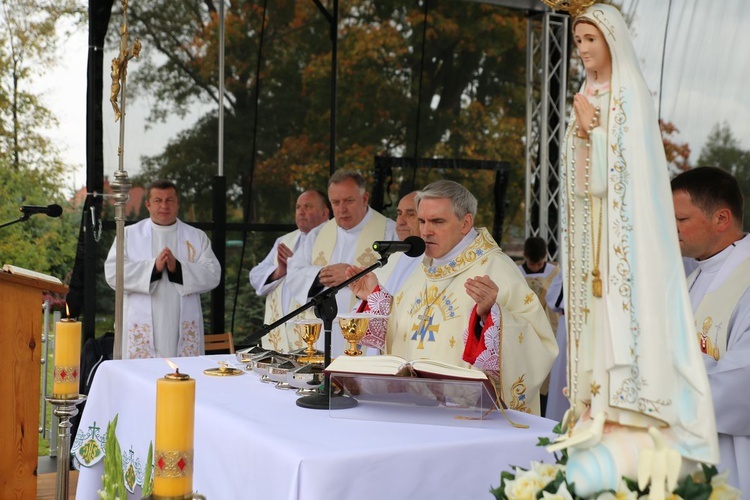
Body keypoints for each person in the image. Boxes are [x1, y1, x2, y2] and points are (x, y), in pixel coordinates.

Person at [546, 3, 717, 496]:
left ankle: (630, 406)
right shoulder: (586, 93)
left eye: (590, 40)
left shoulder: (630, 94)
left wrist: (595, 130)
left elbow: (628, 174)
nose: (582, 50)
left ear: (612, 41)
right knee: (597, 320)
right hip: (594, 233)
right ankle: (599, 408)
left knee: (624, 312)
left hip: (623, 237)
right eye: (578, 42)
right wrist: (582, 133)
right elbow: (581, 183)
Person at [347, 180, 558, 415]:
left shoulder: (495, 268)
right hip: (413, 410)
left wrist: (491, 316)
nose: (426, 231)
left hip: (467, 415)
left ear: (466, 223)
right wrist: (377, 299)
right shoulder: (422, 269)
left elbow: (538, 342)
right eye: (422, 221)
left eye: (437, 221)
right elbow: (405, 330)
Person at [671, 166, 750, 494]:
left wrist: (660, 379)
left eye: (681, 219)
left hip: (730, 455)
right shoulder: (690, 279)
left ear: (721, 219)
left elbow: (741, 382)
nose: (671, 228)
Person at [284, 170, 397, 356]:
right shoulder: (317, 234)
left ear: (364, 198)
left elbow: (398, 277)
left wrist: (350, 274)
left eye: (349, 201)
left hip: (364, 334)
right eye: (335, 203)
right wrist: (320, 275)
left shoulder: (389, 233)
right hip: (324, 331)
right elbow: (295, 272)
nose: (342, 209)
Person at [105, 180, 221, 359]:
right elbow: (113, 273)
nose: (164, 206)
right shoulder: (128, 235)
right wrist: (153, 268)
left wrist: (179, 269)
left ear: (178, 203)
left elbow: (213, 275)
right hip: (140, 325)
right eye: (158, 200)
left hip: (181, 325)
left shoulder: (196, 237)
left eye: (170, 200)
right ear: (148, 205)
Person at [249, 190, 331, 352]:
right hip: (280, 332)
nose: (301, 211)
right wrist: (279, 271)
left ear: (324, 212)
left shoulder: (332, 238)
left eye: (307, 206)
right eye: (298, 207)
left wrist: (297, 267)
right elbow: (255, 275)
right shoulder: (285, 241)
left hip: (314, 329)